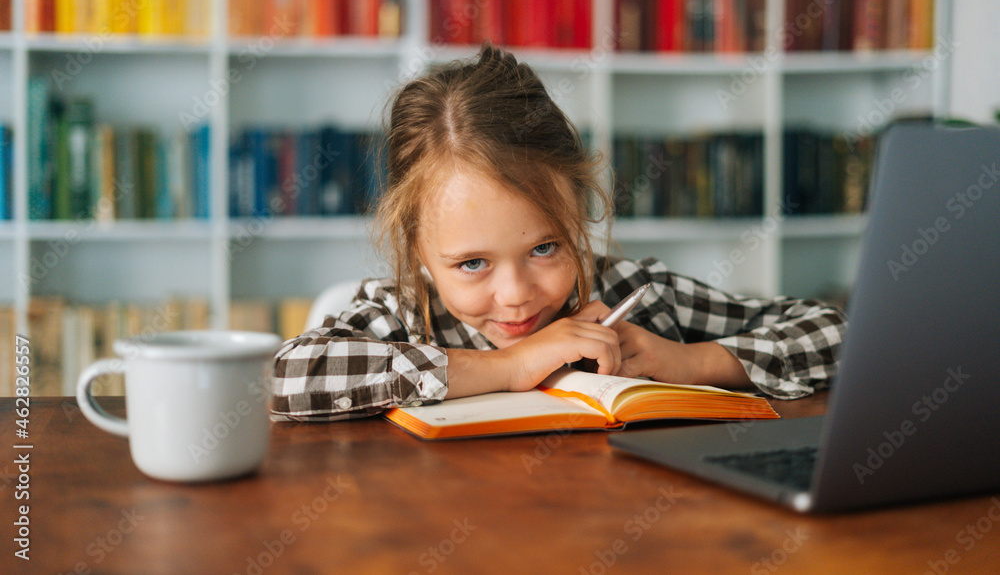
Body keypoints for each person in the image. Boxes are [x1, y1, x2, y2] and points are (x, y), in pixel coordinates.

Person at [272, 44, 845, 421]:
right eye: (472, 264)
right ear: (418, 248)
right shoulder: (400, 314)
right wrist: (507, 368)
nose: (517, 294)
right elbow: (288, 378)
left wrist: (691, 362)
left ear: (577, 212)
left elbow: (836, 335)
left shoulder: (634, 295)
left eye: (545, 247)